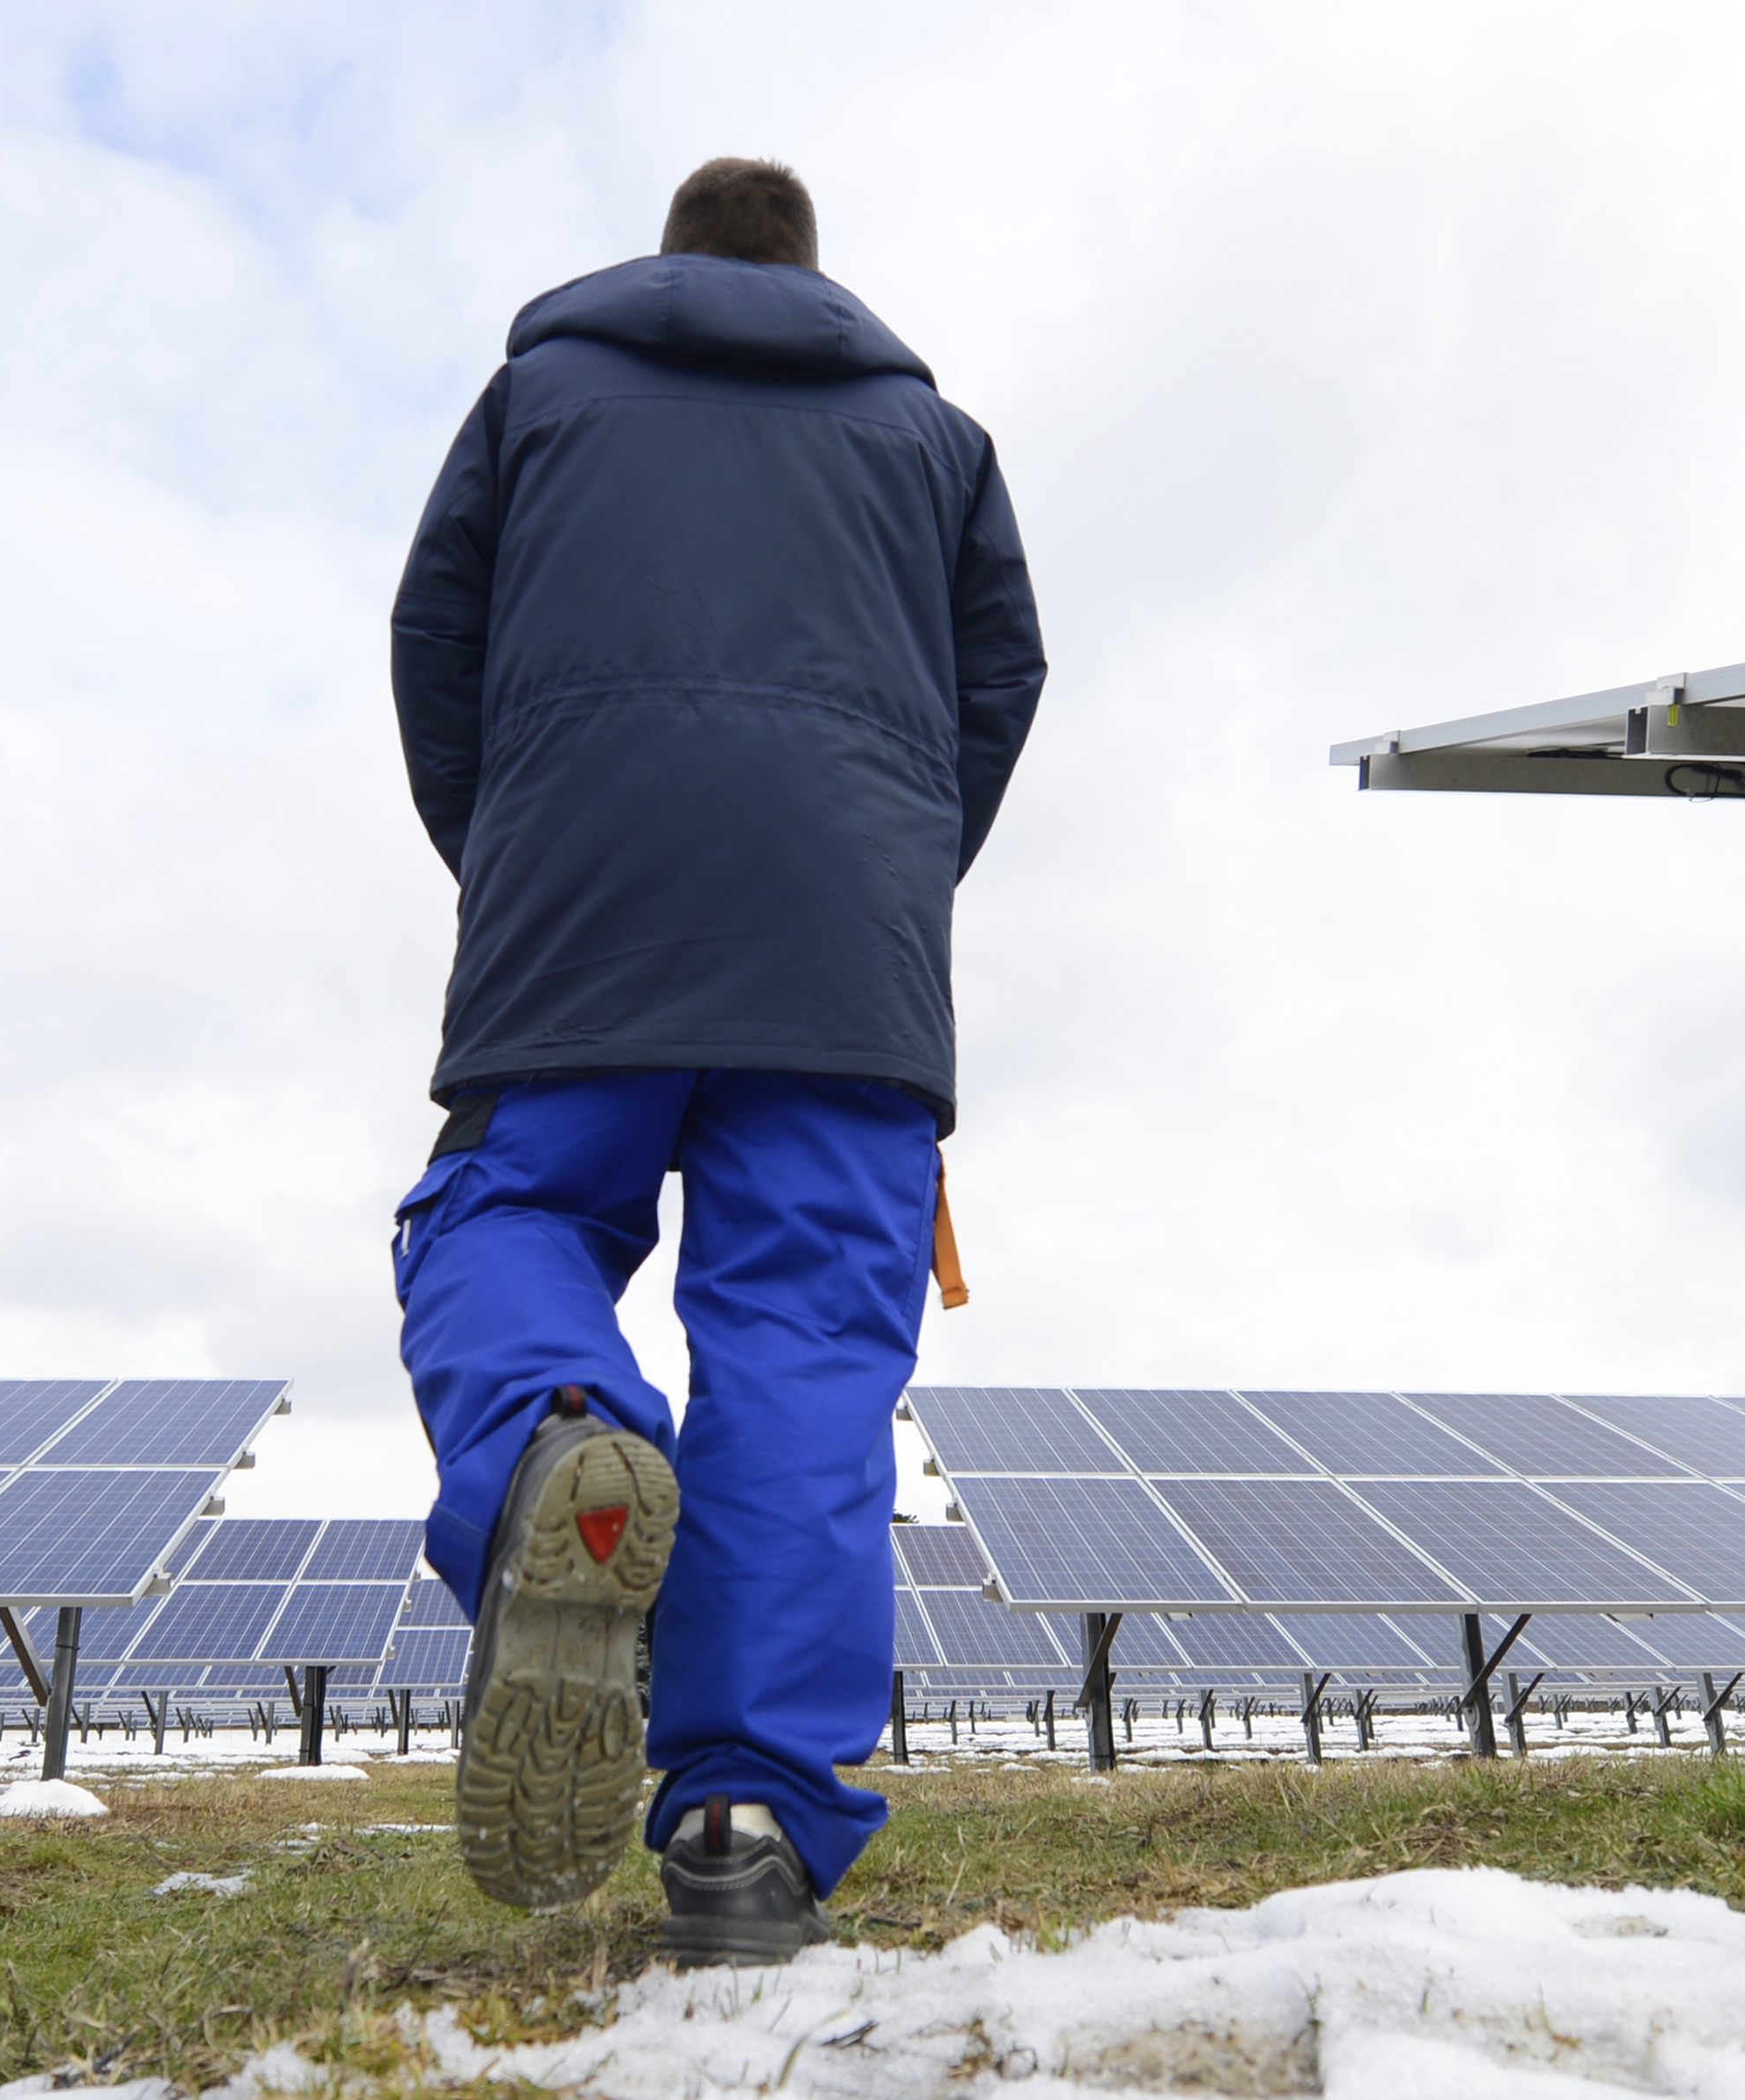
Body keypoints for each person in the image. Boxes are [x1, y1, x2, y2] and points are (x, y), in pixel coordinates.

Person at [389, 156, 1044, 1966]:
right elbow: (1001, 685)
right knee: (809, 1346)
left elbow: (435, 643)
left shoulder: (541, 398)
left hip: (577, 904)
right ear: (821, 282)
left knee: (511, 1210)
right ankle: (745, 1821)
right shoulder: (942, 448)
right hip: (846, 951)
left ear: (663, 262)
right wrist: (888, 866)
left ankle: (550, 1445)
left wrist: (514, 844)